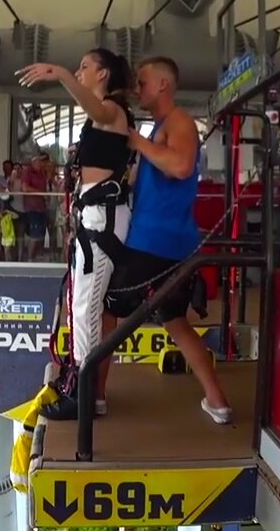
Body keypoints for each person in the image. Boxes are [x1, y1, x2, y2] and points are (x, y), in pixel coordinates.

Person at [100, 56, 233, 425]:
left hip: (152, 243)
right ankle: (218, 402)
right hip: (168, 243)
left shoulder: (179, 122)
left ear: (162, 84)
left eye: (142, 82)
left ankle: (94, 396)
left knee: (107, 309)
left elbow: (180, 167)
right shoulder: (162, 126)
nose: (137, 88)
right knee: (174, 319)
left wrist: (135, 139)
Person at [18, 48, 136, 420]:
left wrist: (59, 74)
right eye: (78, 67)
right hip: (94, 213)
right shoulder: (101, 119)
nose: (79, 71)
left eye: (85, 67)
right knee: (84, 303)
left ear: (103, 75)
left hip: (102, 216)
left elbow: (96, 109)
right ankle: (88, 390)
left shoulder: (112, 111)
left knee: (85, 304)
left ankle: (83, 392)